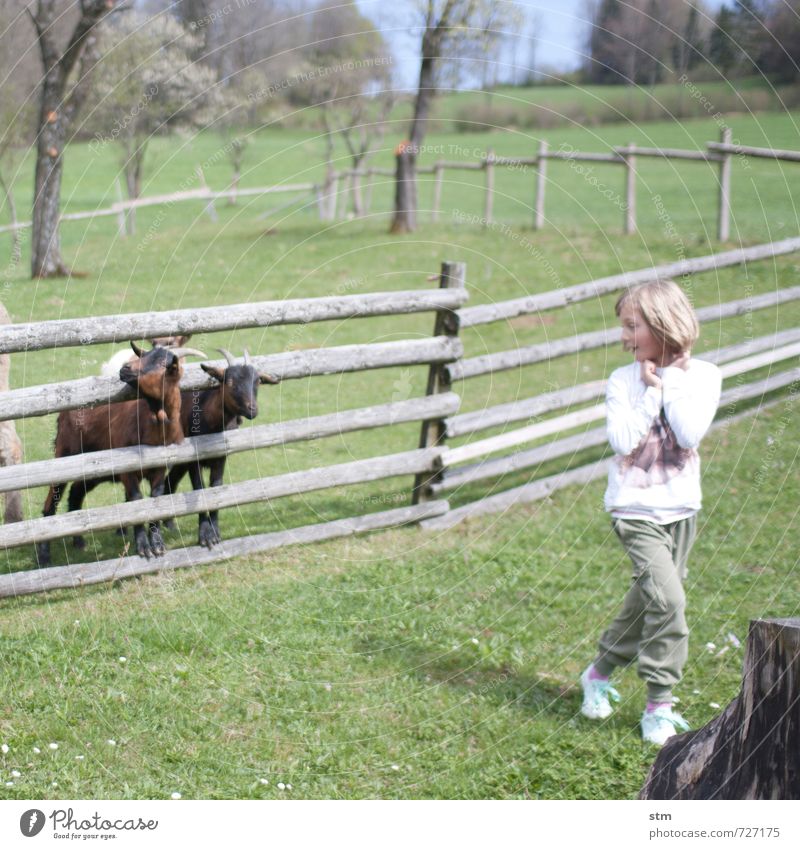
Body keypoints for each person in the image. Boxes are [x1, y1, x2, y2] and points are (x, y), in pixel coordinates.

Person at [580, 279, 722, 746]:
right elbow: (622, 441)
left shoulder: (706, 375)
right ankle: (659, 705)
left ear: (664, 325)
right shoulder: (622, 381)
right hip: (634, 509)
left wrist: (671, 382)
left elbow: (688, 434)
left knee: (648, 599)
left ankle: (598, 673)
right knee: (670, 602)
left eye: (631, 326)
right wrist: (649, 393)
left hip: (681, 510)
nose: (623, 336)